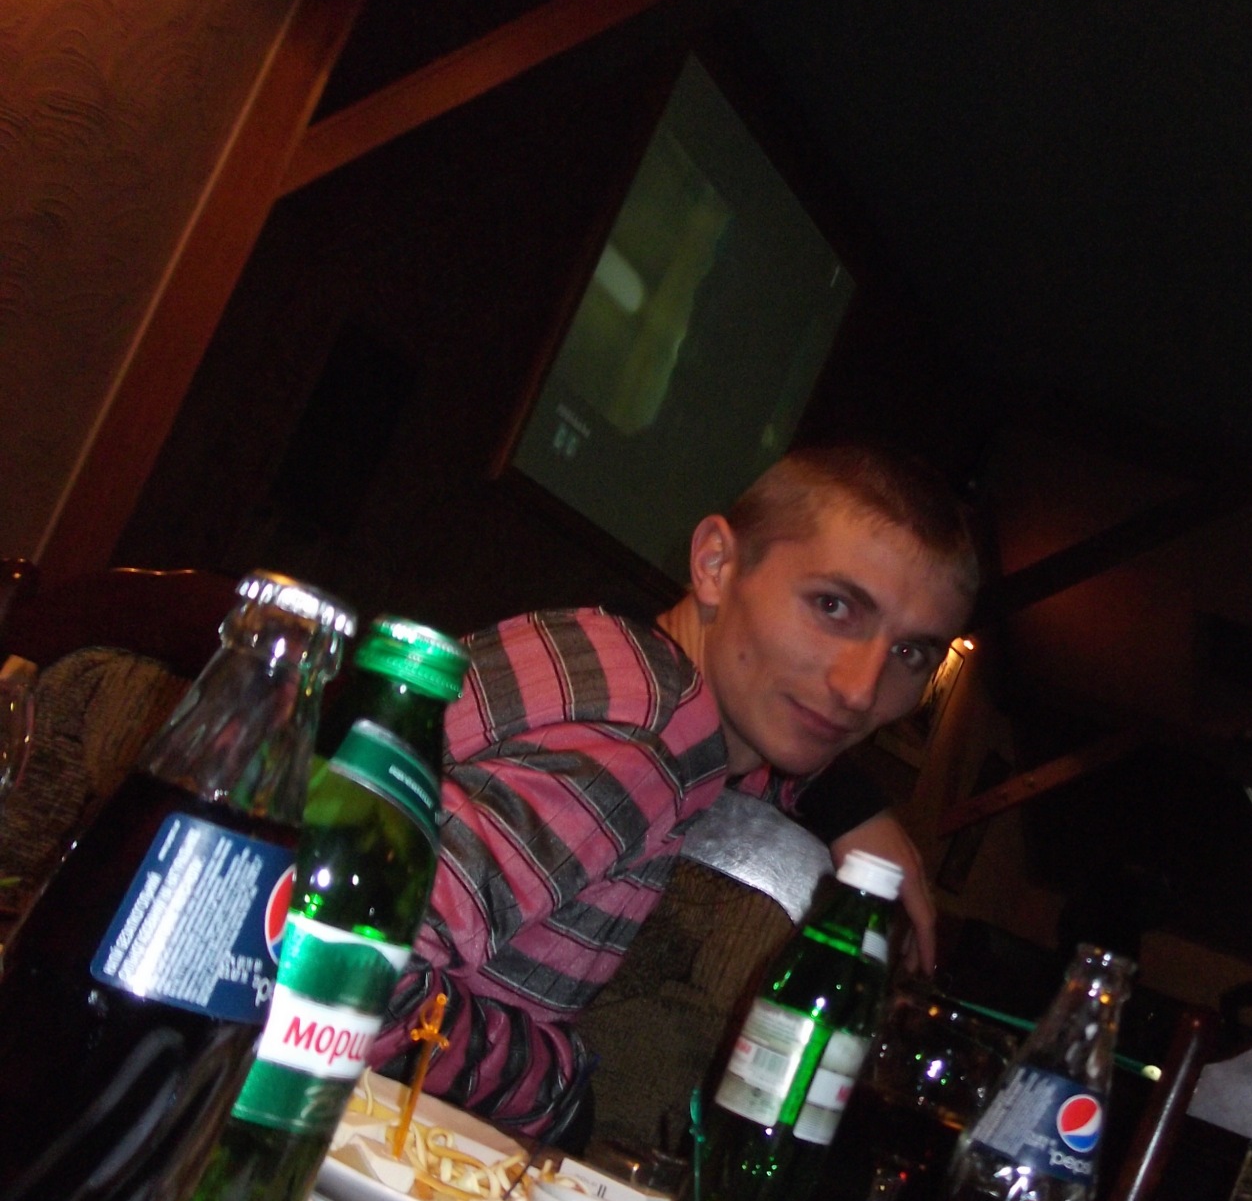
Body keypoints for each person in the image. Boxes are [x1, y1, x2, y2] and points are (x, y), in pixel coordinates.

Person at [369, 446, 979, 1140]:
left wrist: (852, 809)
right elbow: (339, 961)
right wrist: (555, 1089)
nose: (861, 690)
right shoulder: (649, 742)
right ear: (716, 564)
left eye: (910, 654)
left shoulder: (625, 665)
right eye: (833, 607)